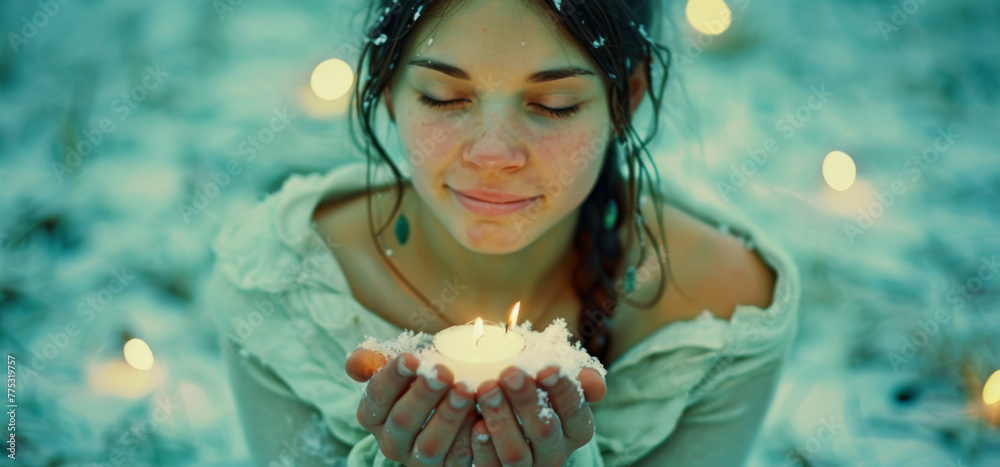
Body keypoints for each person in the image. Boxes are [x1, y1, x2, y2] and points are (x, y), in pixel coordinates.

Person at [202, 0, 801, 465]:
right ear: (387, 89)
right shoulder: (282, 286)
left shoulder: (722, 310)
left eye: (555, 104)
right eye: (443, 97)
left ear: (627, 99)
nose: (493, 154)